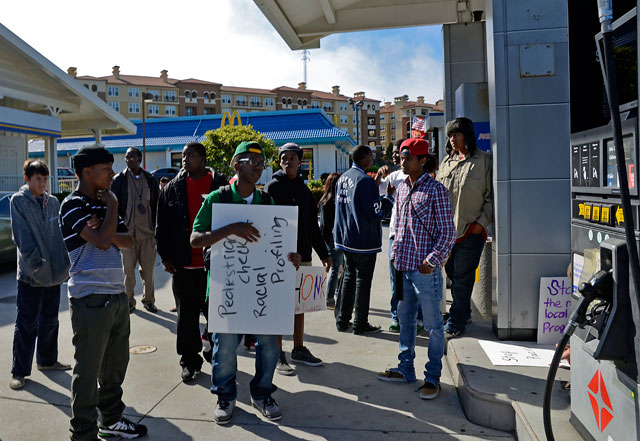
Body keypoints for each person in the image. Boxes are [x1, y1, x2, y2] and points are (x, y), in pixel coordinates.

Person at [190, 141, 301, 424]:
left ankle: (262, 393)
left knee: (269, 345)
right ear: (236, 164)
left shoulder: (267, 201)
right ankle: (226, 396)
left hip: (261, 290)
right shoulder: (218, 197)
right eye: (251, 159)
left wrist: (292, 257)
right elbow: (195, 239)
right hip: (227, 290)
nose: (258, 165)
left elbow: (279, 243)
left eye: (261, 161)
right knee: (224, 347)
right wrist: (231, 229)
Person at [59, 144, 147, 440]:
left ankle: (110, 420)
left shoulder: (102, 205)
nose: (112, 175)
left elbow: (127, 241)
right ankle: (83, 432)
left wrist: (105, 229)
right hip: (90, 297)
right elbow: (101, 240)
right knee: (87, 369)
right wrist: (111, 209)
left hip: (117, 294)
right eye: (106, 170)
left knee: (115, 365)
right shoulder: (72, 204)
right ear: (86, 171)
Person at [376, 138, 456, 400]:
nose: (402, 161)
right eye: (401, 156)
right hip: (402, 267)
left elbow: (447, 234)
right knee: (405, 321)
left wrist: (431, 262)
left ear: (423, 161)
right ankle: (405, 368)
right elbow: (396, 225)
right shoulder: (400, 189)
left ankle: (432, 377)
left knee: (433, 326)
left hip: (425, 272)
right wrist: (394, 254)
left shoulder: (436, 190)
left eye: (408, 157)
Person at [156, 142, 227, 382]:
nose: (185, 159)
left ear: (203, 159)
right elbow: (161, 226)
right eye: (183, 156)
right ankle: (189, 361)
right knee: (186, 318)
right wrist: (165, 256)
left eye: (190, 155)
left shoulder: (220, 185)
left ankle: (218, 356)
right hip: (183, 266)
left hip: (215, 266)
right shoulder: (171, 188)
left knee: (217, 316)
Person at [265, 143, 332, 375]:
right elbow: (266, 225)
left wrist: (324, 253)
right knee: (279, 308)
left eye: (292, 157)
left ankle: (299, 348)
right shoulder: (272, 188)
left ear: (300, 161)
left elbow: (312, 227)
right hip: (279, 259)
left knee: (299, 306)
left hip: (303, 257)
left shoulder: (304, 191)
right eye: (284, 157)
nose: (288, 161)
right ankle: (277, 354)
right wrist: (281, 252)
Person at [9, 160, 71, 390]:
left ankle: (47, 360)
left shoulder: (53, 201)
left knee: (50, 320)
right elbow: (21, 237)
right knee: (26, 324)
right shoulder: (19, 201)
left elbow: (61, 234)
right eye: (38, 179)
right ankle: (19, 371)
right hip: (31, 276)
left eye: (45, 179)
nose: (42, 183)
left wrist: (65, 262)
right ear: (27, 179)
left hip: (54, 275)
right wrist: (36, 264)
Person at [436, 117, 493, 338]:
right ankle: (464, 312)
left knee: (462, 277)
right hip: (446, 233)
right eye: (450, 135)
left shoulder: (484, 161)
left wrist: (480, 225)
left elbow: (491, 197)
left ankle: (456, 321)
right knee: (452, 275)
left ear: (467, 135)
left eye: (456, 134)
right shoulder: (446, 163)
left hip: (470, 231)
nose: (452, 139)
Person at [334, 144, 394, 335]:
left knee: (349, 278)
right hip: (363, 240)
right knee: (362, 281)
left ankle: (342, 320)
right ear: (363, 160)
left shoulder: (344, 178)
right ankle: (360, 322)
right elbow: (375, 212)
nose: (373, 160)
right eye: (370, 157)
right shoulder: (364, 181)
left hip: (346, 238)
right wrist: (389, 197)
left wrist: (375, 182)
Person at [111, 147, 160, 313]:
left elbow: (156, 205)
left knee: (148, 271)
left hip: (147, 234)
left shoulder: (151, 180)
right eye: (126, 157)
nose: (128, 160)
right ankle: (129, 302)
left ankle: (149, 300)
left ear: (140, 159)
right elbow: (114, 207)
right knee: (128, 273)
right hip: (127, 235)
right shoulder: (119, 180)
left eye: (132, 157)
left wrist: (157, 230)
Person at [318, 172, 342, 310]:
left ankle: (335, 295)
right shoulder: (332, 201)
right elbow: (329, 224)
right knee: (336, 268)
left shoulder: (324, 199)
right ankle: (330, 298)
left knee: (338, 268)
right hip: (333, 239)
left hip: (328, 238)